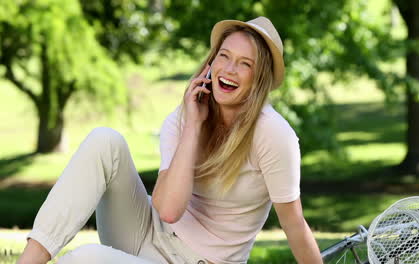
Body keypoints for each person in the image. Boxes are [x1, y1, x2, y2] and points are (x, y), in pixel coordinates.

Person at [17, 16, 323, 264]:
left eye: (245, 64)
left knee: (84, 260)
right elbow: (166, 209)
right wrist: (193, 126)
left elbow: (294, 223)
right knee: (104, 141)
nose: (229, 69)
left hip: (200, 261)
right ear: (210, 63)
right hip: (146, 233)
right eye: (224, 56)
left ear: (260, 79)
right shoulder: (187, 114)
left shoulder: (273, 135)